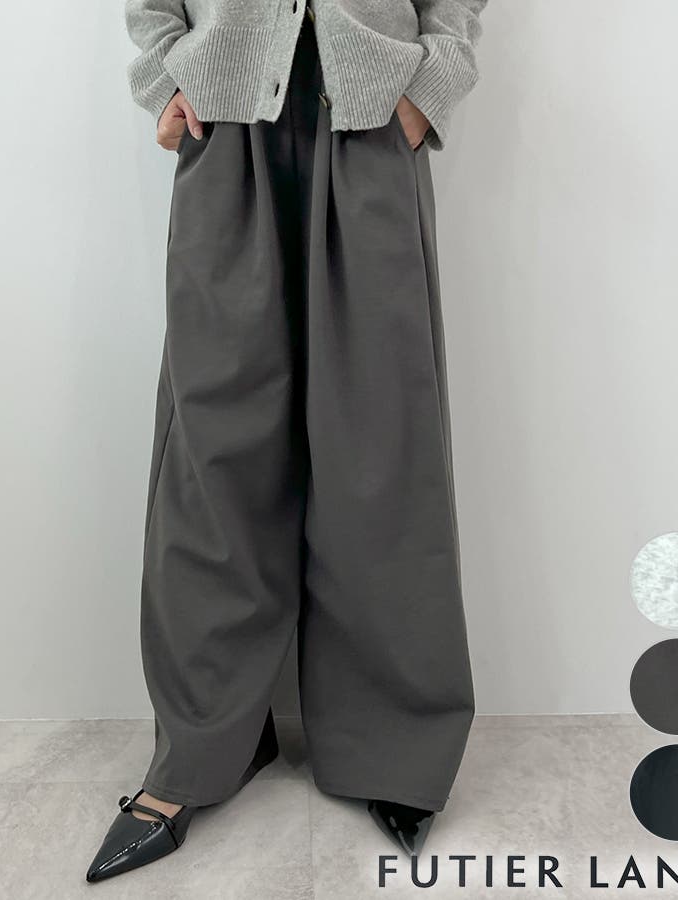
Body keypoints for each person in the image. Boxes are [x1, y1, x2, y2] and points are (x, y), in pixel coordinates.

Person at [87, 0, 487, 883]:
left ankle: (393, 746)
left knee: (380, 449)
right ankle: (201, 746)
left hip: (374, 121)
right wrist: (164, 76)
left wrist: (429, 84)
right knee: (212, 452)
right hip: (224, 123)